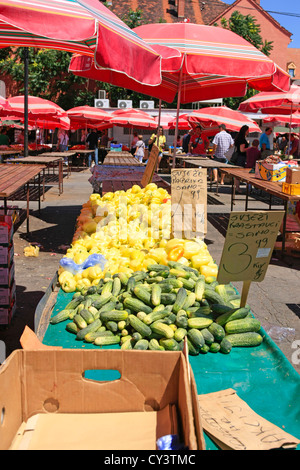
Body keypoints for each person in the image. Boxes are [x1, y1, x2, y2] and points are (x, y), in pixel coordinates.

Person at [233, 125, 249, 192]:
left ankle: (236, 187)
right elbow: (242, 150)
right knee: (239, 173)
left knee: (237, 173)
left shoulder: (239, 137)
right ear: (245, 131)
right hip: (241, 157)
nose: (248, 132)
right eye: (248, 130)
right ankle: (237, 187)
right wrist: (249, 148)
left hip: (238, 156)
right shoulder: (242, 139)